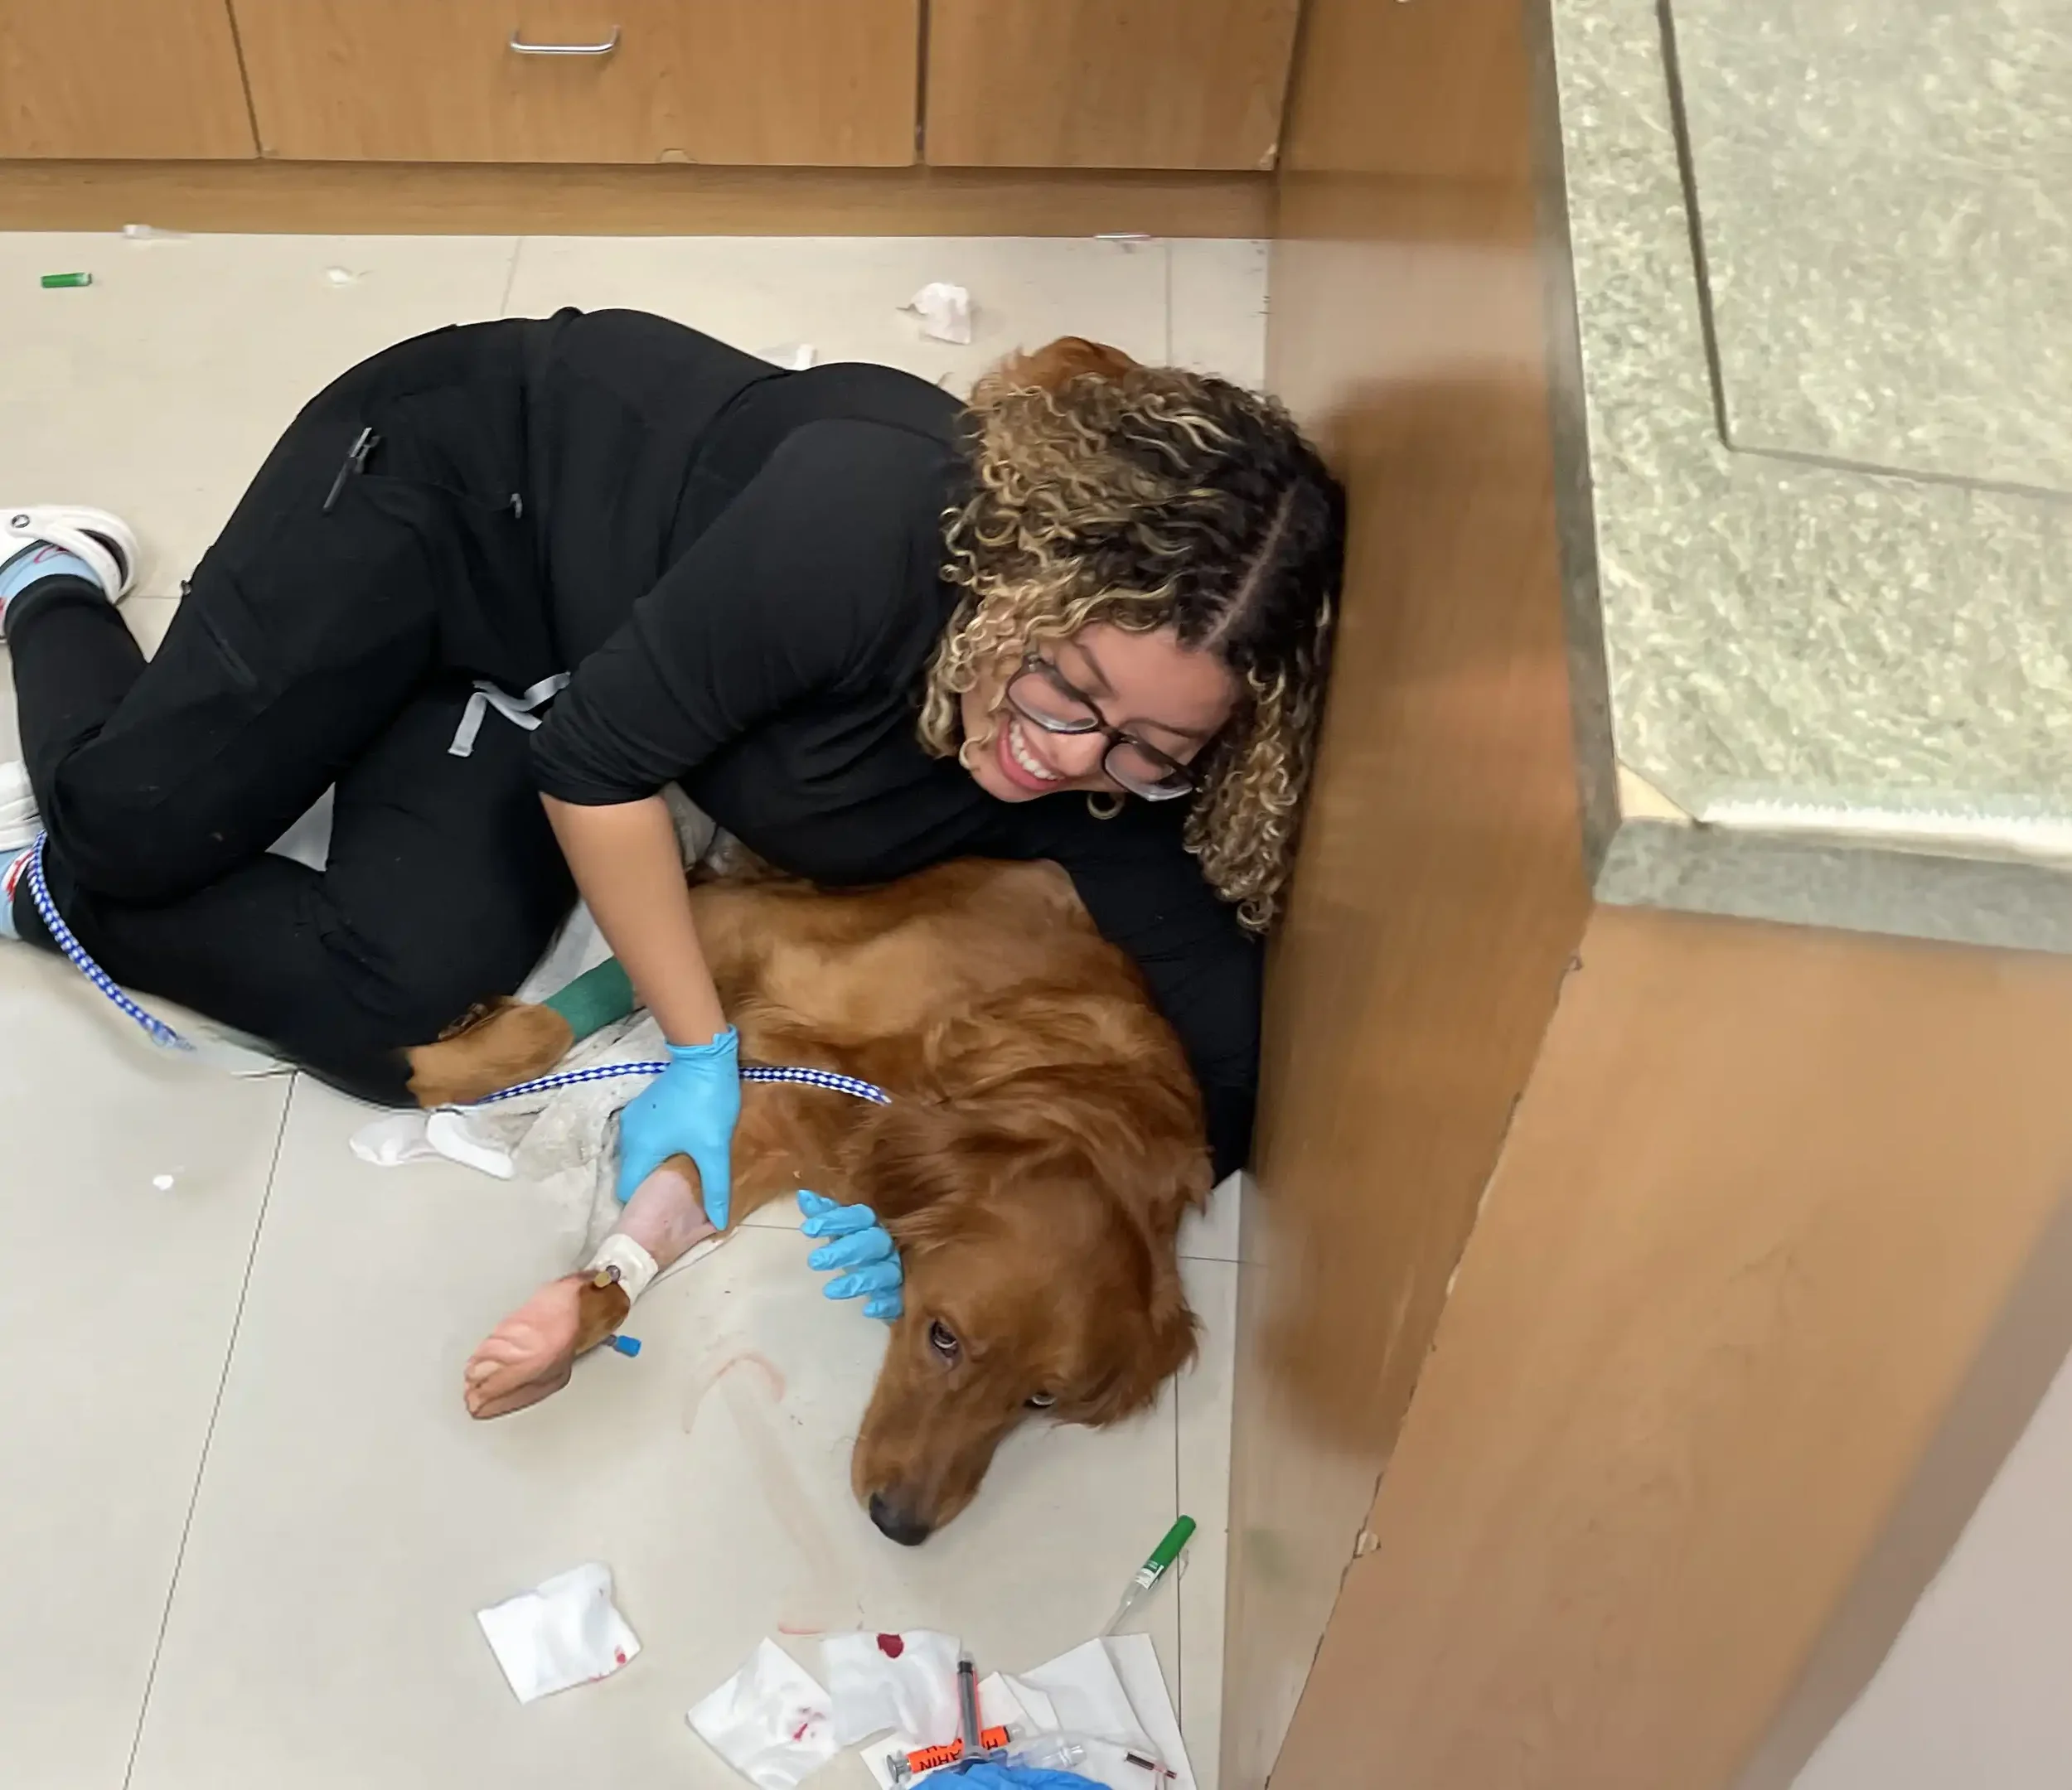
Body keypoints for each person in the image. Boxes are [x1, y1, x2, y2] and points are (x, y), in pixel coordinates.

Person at [0, 313, 1343, 1299]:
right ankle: (48, 578)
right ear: (1028, 582)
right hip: (461, 496)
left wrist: (1006, 1223)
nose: (1068, 756)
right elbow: (596, 768)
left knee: (394, 1012)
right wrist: (700, 1054)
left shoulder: (1125, 777)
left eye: (1148, 745)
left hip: (557, 672)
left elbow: (1222, 1084)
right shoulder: (859, 527)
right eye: (1067, 689)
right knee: (131, 827)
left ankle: (32, 891)